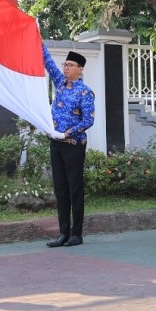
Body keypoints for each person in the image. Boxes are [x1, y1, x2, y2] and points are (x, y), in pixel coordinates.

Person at [43, 46, 95, 247]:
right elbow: (47, 62)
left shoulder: (85, 92)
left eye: (70, 65)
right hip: (56, 144)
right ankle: (63, 232)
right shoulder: (60, 84)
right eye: (64, 64)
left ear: (80, 69)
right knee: (60, 189)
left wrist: (67, 132)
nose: (65, 68)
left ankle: (77, 233)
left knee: (74, 189)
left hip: (73, 145)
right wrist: (36, 38)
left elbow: (88, 120)